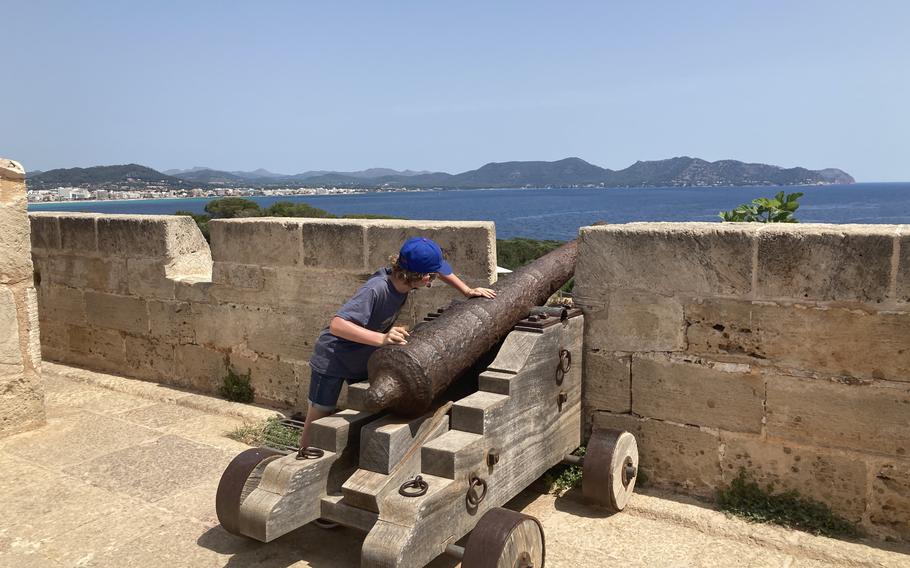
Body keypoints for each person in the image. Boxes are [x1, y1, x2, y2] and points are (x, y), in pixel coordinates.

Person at [298, 236, 496, 450]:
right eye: (432, 277)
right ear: (421, 277)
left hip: (359, 355)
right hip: (332, 358)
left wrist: (467, 291)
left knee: (370, 406)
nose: (433, 280)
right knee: (320, 415)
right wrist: (382, 339)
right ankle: (300, 458)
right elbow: (337, 325)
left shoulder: (400, 281)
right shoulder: (377, 289)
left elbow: (443, 272)